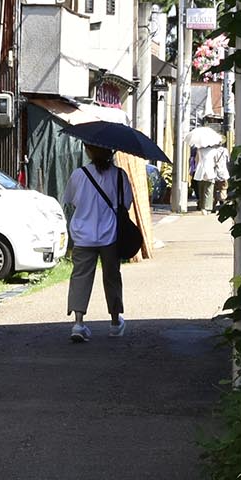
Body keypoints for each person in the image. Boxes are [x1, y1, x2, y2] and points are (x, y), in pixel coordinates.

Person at [61, 144, 136, 342]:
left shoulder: (79, 174)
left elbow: (70, 200)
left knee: (80, 277)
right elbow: (126, 204)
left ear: (89, 152)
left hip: (83, 235)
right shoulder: (120, 176)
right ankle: (114, 321)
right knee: (112, 277)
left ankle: (78, 323)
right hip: (110, 234)